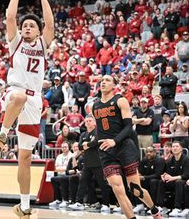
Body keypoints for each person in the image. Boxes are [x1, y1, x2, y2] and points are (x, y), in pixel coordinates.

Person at [0, 0, 54, 218]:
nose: (26, 27)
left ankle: (24, 205)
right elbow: (10, 17)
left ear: (37, 32)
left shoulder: (43, 45)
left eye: (31, 26)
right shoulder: (15, 43)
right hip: (16, 93)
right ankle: (1, 137)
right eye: (24, 25)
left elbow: (50, 23)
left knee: (24, 157)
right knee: (18, 96)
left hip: (35, 100)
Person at [92, 75, 162, 219]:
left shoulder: (120, 100)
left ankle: (154, 210)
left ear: (114, 85)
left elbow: (129, 126)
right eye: (102, 80)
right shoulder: (95, 105)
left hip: (124, 147)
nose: (103, 82)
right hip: (106, 151)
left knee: (135, 189)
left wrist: (114, 141)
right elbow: (100, 131)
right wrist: (93, 143)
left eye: (107, 80)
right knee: (118, 190)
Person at [68, 115, 110, 212]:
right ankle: (79, 202)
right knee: (82, 182)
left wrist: (87, 144)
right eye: (86, 121)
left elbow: (94, 143)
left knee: (102, 184)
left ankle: (106, 204)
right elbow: (80, 146)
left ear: (94, 123)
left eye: (90, 121)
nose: (88, 122)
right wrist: (87, 144)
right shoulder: (83, 134)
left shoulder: (98, 132)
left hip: (98, 162)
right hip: (87, 163)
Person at [154, 141, 189, 217]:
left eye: (177, 146)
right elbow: (168, 173)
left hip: (184, 180)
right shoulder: (170, 160)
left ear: (181, 149)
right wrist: (164, 176)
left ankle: (177, 207)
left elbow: (186, 175)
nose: (175, 148)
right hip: (174, 180)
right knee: (162, 182)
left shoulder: (186, 159)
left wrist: (172, 178)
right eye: (173, 147)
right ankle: (160, 206)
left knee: (179, 182)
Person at [133, 146, 165, 214]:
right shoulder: (144, 160)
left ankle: (153, 206)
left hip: (157, 180)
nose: (148, 153)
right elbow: (140, 171)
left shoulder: (160, 160)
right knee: (135, 182)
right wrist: (139, 175)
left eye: (150, 152)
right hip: (147, 179)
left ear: (155, 152)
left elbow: (158, 174)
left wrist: (144, 177)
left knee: (153, 182)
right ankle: (139, 204)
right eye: (147, 152)